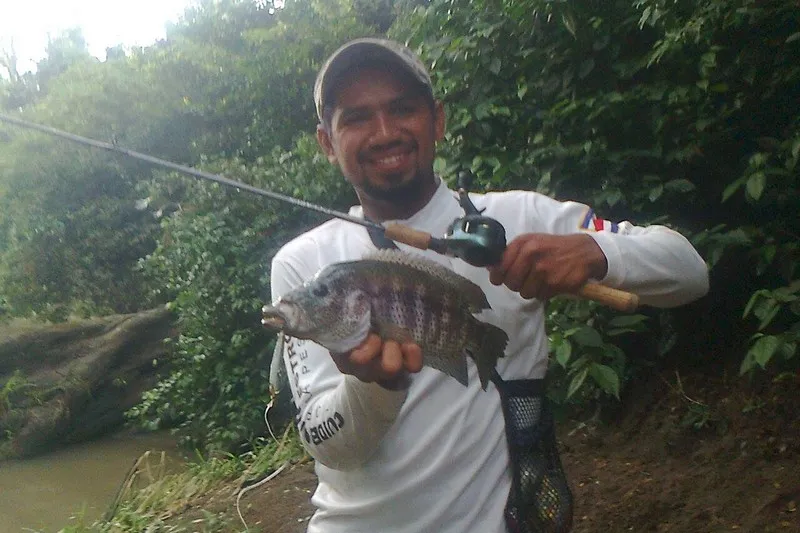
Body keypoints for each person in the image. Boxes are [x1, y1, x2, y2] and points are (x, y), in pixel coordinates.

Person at [269, 37, 709, 533]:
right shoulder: (304, 265)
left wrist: (596, 253)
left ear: (438, 120)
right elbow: (327, 444)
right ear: (327, 141)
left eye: (403, 109)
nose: (385, 132)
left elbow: (690, 269)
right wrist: (375, 385)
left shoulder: (519, 217)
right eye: (356, 118)